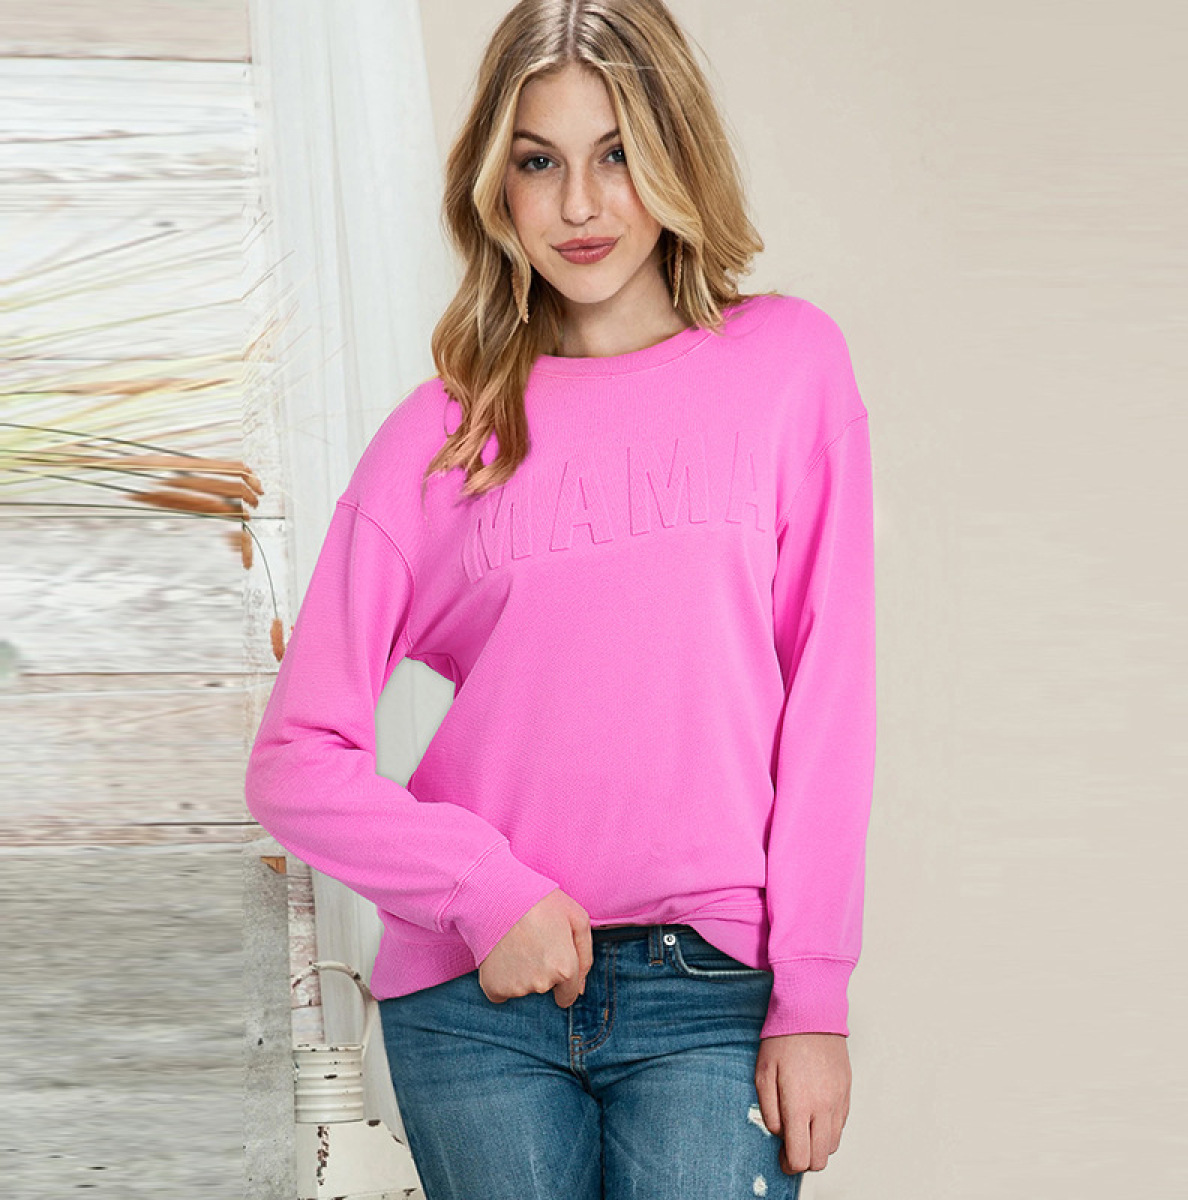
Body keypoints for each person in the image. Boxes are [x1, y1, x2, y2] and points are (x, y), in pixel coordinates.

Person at [244, 1, 877, 1196]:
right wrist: (485, 892)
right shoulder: (443, 434)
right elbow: (295, 761)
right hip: (477, 1005)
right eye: (539, 161)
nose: (581, 205)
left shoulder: (790, 370)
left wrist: (815, 1000)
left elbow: (828, 709)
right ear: (497, 183)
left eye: (617, 153)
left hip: (710, 995)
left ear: (677, 152)